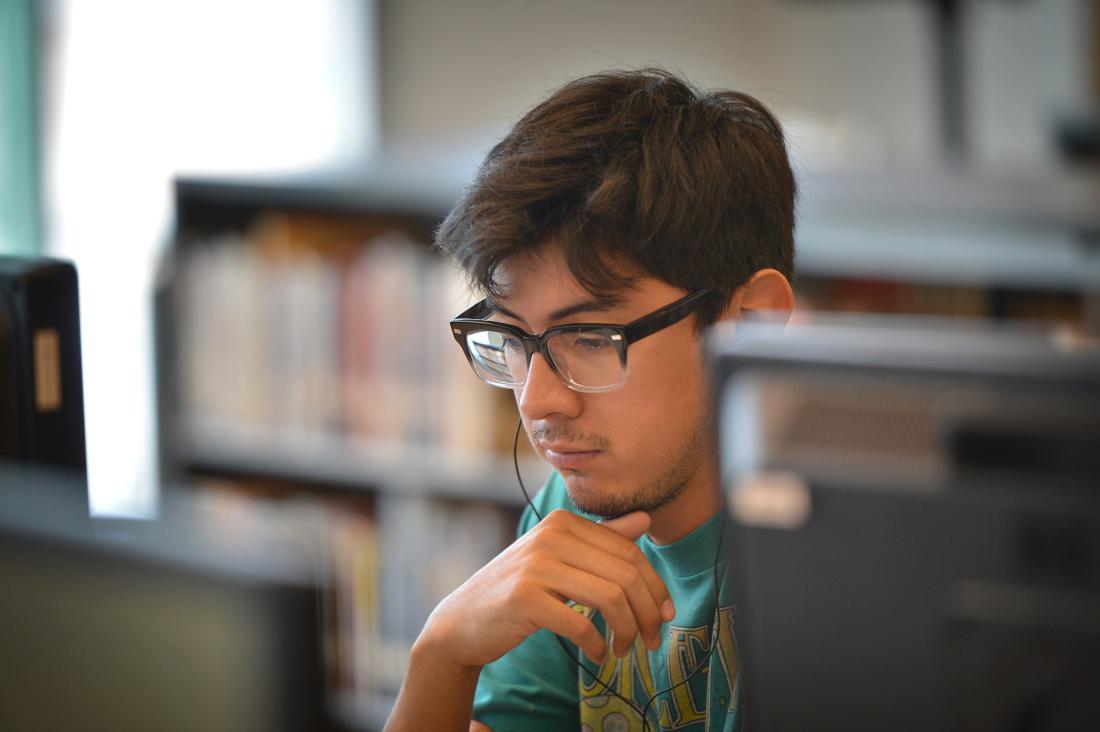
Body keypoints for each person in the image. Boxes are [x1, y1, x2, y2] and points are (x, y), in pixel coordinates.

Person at [385, 68, 796, 732]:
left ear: (748, 323)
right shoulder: (568, 509)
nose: (540, 403)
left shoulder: (839, 558)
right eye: (514, 337)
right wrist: (441, 654)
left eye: (589, 338)